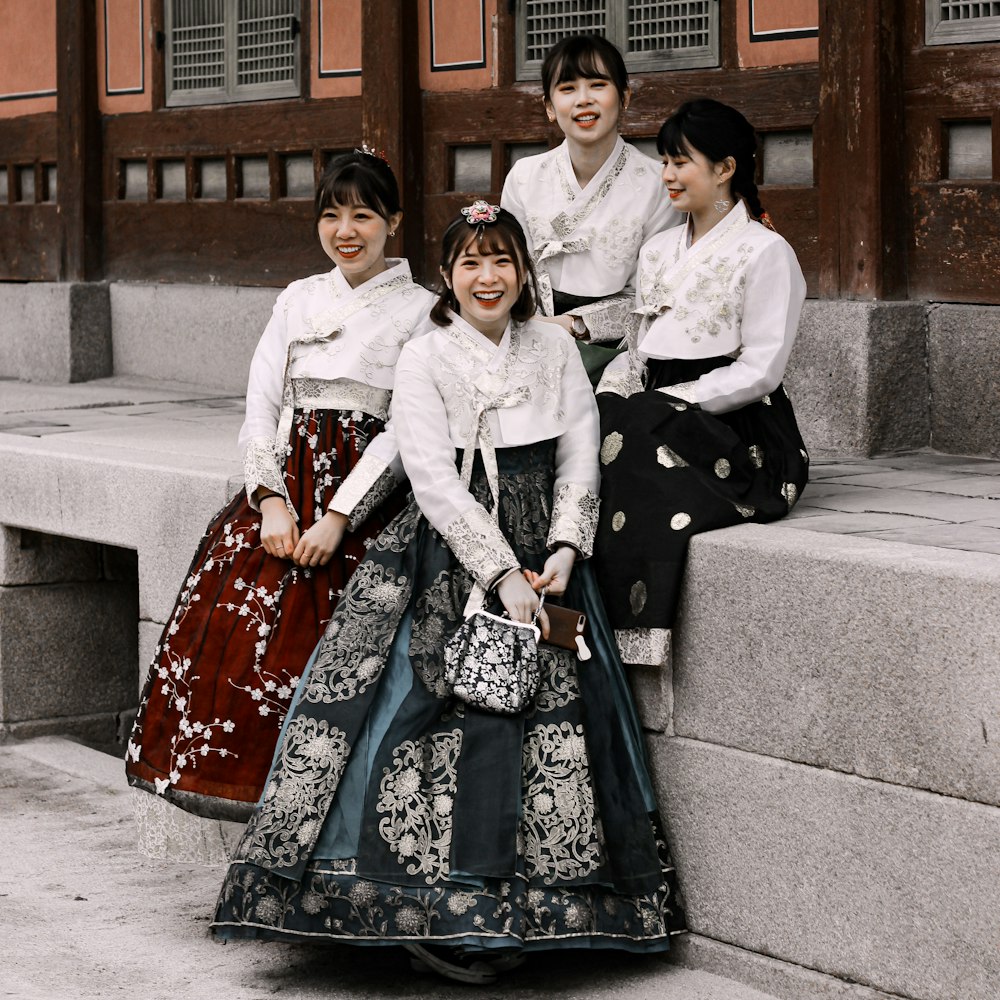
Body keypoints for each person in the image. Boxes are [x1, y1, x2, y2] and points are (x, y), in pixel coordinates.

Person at [211, 202, 685, 984]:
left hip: (546, 550)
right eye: (470, 262)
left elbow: (578, 457)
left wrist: (564, 551)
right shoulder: (425, 355)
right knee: (419, 708)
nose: (487, 277)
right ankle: (424, 913)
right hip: (448, 550)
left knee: (551, 712)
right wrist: (499, 575)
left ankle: (544, 910)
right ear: (447, 275)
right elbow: (431, 477)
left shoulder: (555, 351)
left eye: (501, 260)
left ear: (524, 272)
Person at [126, 149, 434, 825]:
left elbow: (407, 430)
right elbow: (261, 407)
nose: (346, 230)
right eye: (331, 215)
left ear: (394, 221)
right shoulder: (297, 298)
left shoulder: (423, 311)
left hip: (368, 502)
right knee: (237, 635)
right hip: (285, 491)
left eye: (362, 215)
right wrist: (268, 501)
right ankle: (258, 831)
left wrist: (339, 518)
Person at [594, 99, 809, 660]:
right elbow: (636, 348)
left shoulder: (767, 252)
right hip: (651, 399)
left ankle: (631, 634)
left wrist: (670, 403)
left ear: (726, 168)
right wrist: (614, 394)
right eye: (664, 161)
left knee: (634, 453)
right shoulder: (658, 250)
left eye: (681, 161)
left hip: (736, 422)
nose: (666, 174)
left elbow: (762, 369)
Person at [501, 33, 678, 383]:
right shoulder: (524, 177)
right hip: (529, 332)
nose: (583, 100)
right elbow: (509, 270)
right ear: (550, 107)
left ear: (624, 97)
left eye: (598, 85)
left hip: (615, 346)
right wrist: (533, 323)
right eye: (567, 89)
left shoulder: (658, 183)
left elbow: (653, 298)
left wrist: (574, 324)